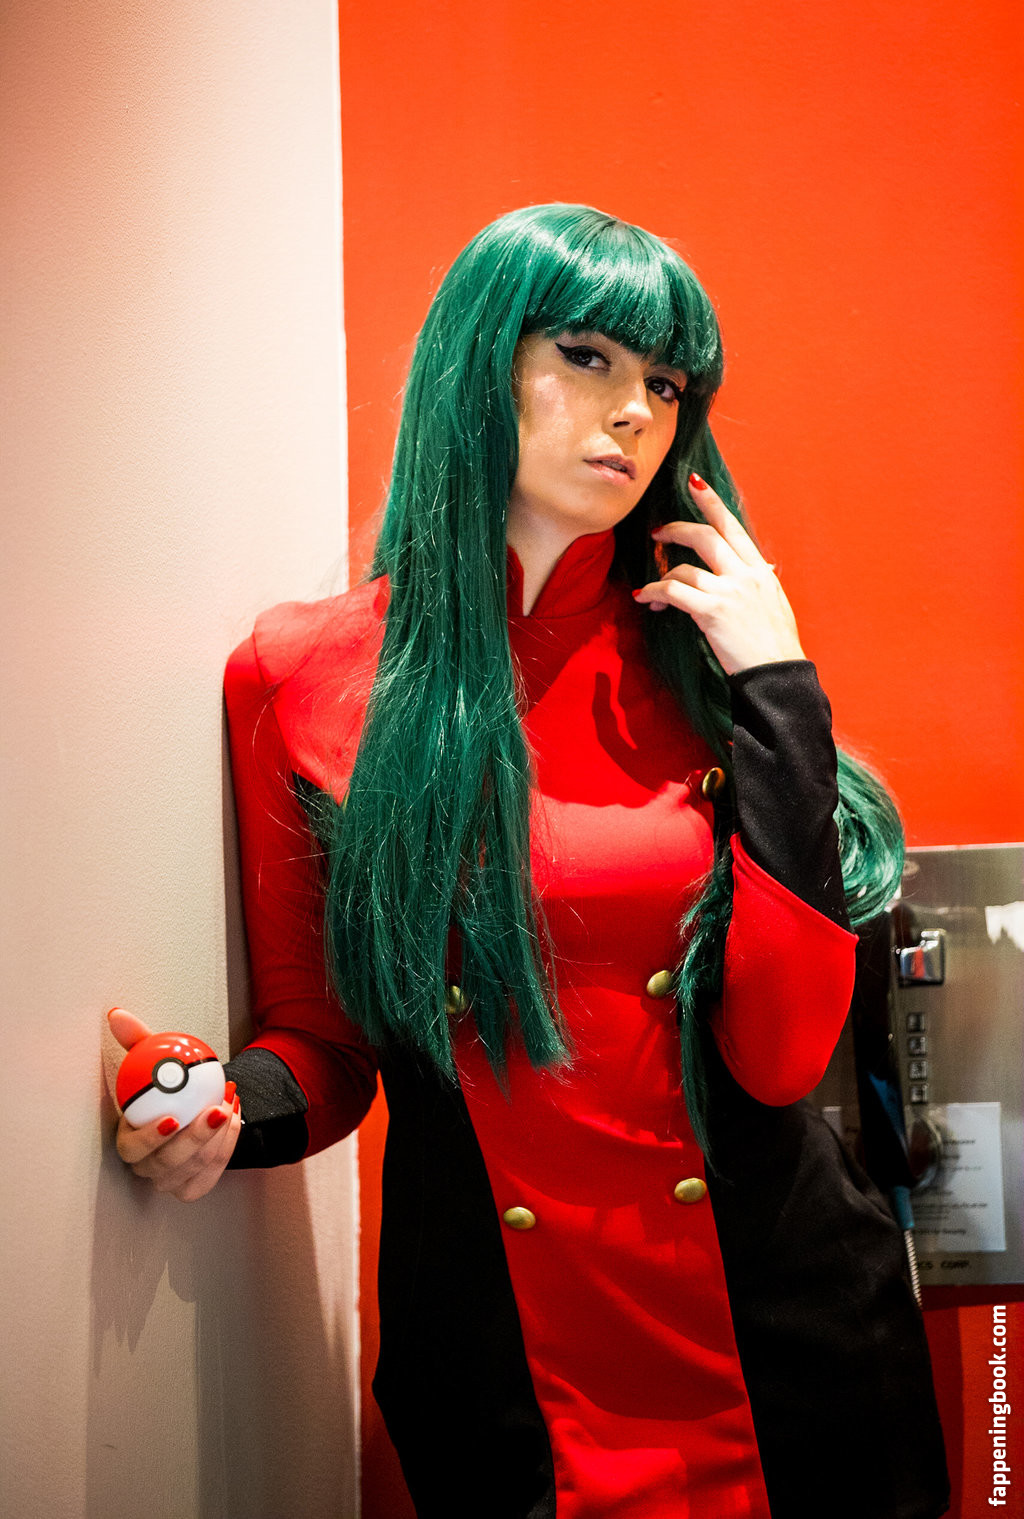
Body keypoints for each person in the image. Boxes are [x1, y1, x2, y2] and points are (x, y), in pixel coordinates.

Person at [112, 204, 950, 1518]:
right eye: (587, 357)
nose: (633, 414)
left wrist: (781, 687)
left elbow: (784, 1057)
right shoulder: (300, 674)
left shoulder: (715, 665)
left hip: (792, 1353)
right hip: (501, 1366)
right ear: (477, 362)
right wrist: (225, 1110)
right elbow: (321, 1040)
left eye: (666, 383)